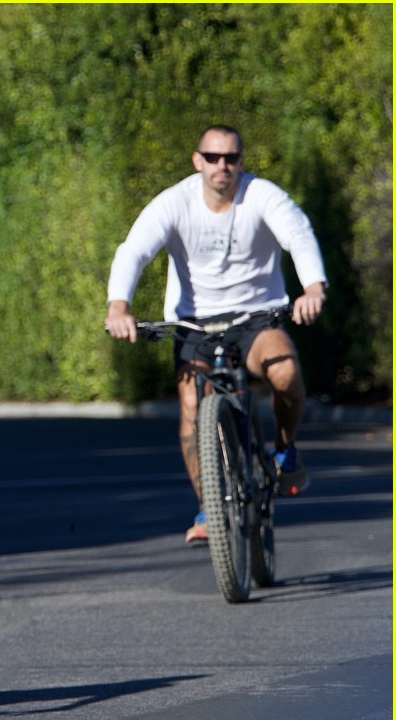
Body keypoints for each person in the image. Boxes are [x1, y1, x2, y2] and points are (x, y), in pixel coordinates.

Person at [105, 124, 328, 545]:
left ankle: (283, 450)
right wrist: (119, 307)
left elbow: (297, 234)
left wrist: (313, 288)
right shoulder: (175, 202)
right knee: (192, 406)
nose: (221, 166)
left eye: (231, 158)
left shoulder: (261, 195)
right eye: (212, 158)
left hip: (256, 316)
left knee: (285, 375)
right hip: (195, 323)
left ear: (242, 161)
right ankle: (210, 506)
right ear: (197, 161)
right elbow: (134, 250)